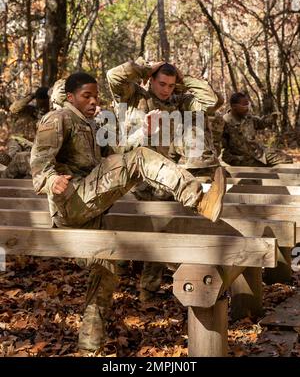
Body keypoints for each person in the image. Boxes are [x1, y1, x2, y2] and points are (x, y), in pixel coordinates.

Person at [30, 71, 226, 353]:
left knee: (105, 274)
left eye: (95, 96)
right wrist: (50, 180)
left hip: (91, 205)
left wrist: (143, 133)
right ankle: (198, 199)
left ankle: (89, 348)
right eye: (86, 96)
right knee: (141, 159)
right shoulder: (58, 118)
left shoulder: (92, 122)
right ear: (71, 97)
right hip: (72, 202)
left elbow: (116, 157)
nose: (93, 101)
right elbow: (39, 164)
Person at [107, 59, 224, 300]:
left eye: (171, 85)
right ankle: (121, 269)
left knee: (164, 230)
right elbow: (113, 76)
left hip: (164, 182)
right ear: (151, 79)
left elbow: (212, 102)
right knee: (130, 232)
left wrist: (183, 79)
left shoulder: (178, 101)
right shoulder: (132, 96)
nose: (166, 90)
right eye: (162, 83)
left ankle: (148, 290)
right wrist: (145, 67)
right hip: (132, 179)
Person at [222, 92, 293, 166]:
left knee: (286, 160)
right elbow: (220, 146)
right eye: (244, 105)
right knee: (262, 169)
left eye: (248, 104)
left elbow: (261, 123)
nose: (247, 108)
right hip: (239, 158)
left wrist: (272, 118)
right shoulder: (224, 121)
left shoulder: (248, 118)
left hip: (258, 153)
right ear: (234, 107)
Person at [0, 87, 49, 178]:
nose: (42, 106)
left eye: (45, 103)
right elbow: (13, 109)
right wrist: (32, 96)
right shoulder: (28, 110)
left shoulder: (52, 115)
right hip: (18, 141)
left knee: (19, 159)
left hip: (33, 146)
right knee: (13, 152)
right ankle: (10, 163)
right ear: (37, 100)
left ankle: (10, 171)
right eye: (40, 102)